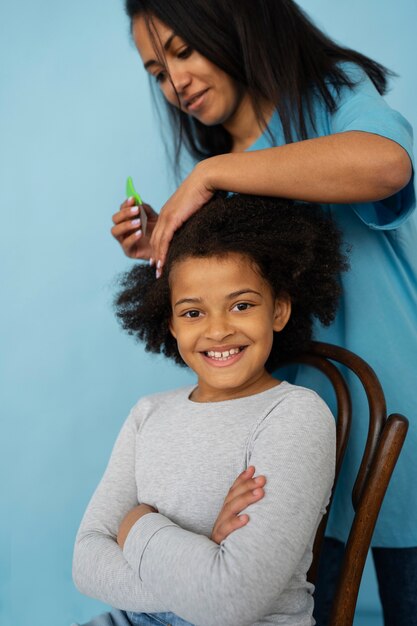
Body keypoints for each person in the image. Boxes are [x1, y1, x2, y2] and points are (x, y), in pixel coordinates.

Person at [110, 2, 417, 624]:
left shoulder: (326, 99)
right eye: (155, 71)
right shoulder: (220, 177)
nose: (176, 84)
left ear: (231, 24)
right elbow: (229, 307)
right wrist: (167, 249)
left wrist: (212, 173)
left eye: (183, 51)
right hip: (296, 448)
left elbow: (387, 166)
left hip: (397, 420)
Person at [72, 194, 348, 626]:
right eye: (193, 312)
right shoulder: (149, 412)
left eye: (241, 305)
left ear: (278, 309)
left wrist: (137, 525)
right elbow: (87, 560)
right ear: (172, 324)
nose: (218, 330)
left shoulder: (295, 415)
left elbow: (232, 601)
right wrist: (204, 557)